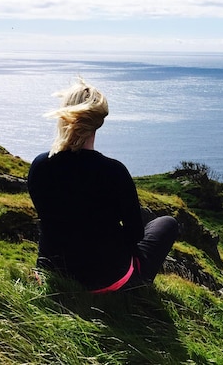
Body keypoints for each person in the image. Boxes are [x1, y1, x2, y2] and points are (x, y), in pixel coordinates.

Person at [28, 78, 178, 293]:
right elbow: (135, 235)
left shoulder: (40, 165)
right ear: (99, 121)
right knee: (167, 223)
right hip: (107, 279)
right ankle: (136, 288)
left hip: (53, 272)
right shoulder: (113, 171)